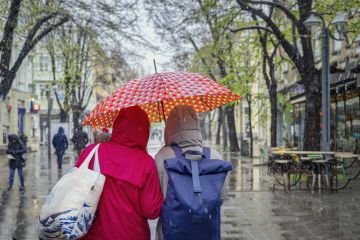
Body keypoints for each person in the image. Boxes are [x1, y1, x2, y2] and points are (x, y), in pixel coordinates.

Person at [76, 106, 164, 240]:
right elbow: (151, 210)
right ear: (145, 130)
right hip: (132, 234)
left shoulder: (92, 152)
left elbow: (76, 189)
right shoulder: (147, 163)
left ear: (117, 125)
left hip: (92, 235)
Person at [155, 105, 229, 240]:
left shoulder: (162, 157)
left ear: (170, 128)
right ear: (196, 125)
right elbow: (222, 197)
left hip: (171, 231)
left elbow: (155, 201)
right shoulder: (214, 155)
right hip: (206, 232)